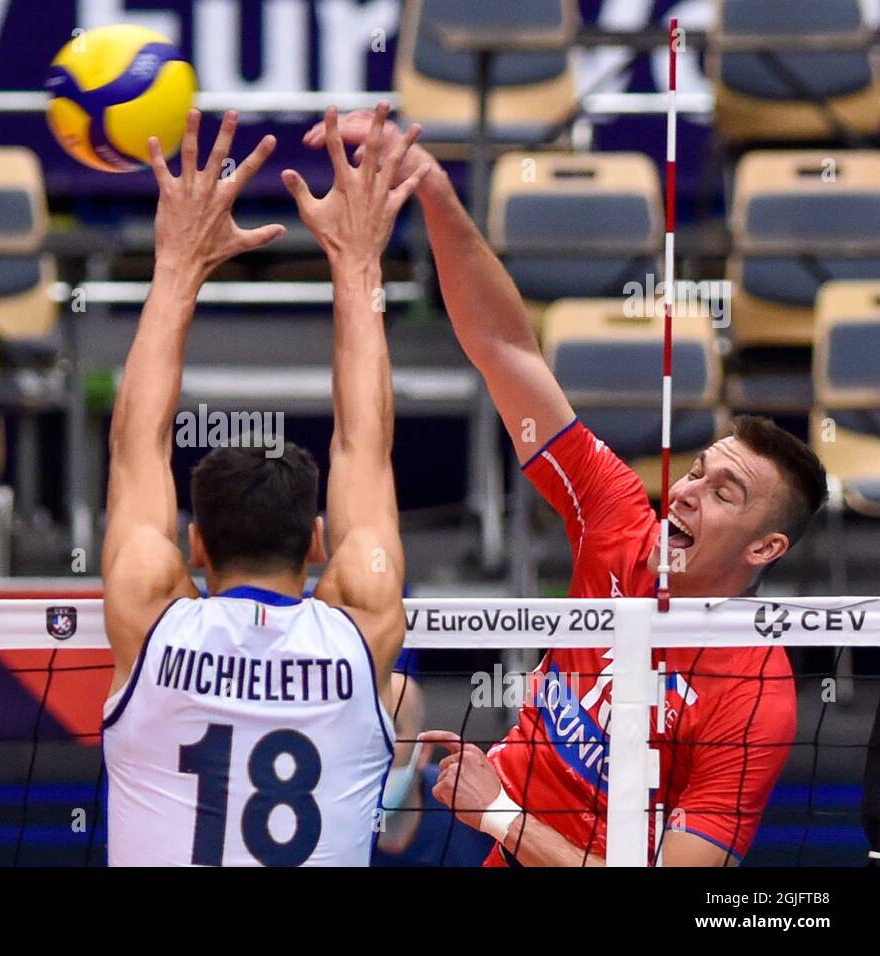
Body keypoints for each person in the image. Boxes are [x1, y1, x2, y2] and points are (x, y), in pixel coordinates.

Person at [305, 111, 826, 866]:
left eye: (725, 493)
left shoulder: (754, 696)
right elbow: (505, 348)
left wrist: (504, 815)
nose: (685, 492)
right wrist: (438, 194)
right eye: (696, 470)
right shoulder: (618, 520)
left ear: (766, 546)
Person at [101, 104, 429, 866]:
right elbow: (365, 443)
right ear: (317, 542)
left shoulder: (152, 614)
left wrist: (177, 265)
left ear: (195, 544)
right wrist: (358, 265)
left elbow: (135, 448)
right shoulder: (361, 623)